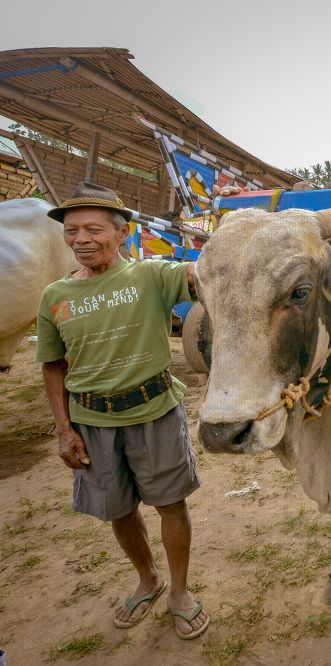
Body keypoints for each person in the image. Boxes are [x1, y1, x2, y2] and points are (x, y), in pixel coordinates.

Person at [36, 182, 209, 640]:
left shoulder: (152, 276)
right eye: (72, 231)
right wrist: (63, 429)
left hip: (155, 412)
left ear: (121, 232)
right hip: (92, 422)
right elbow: (53, 366)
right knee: (119, 511)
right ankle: (147, 578)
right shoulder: (54, 295)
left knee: (171, 504)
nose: (81, 240)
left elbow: (203, 272)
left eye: (93, 228)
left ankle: (179, 591)